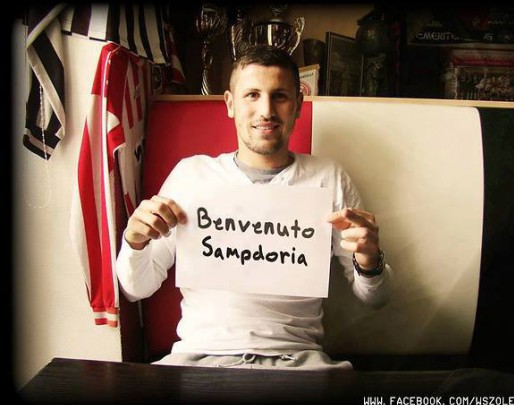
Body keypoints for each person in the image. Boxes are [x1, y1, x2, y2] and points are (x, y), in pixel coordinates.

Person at [116, 45, 393, 371]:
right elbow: (135, 288)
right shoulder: (191, 175)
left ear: (298, 105)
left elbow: (375, 298)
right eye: (252, 95)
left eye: (280, 96)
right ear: (230, 104)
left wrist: (370, 260)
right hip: (199, 359)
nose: (266, 110)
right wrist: (135, 241)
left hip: (298, 362)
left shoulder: (328, 177)